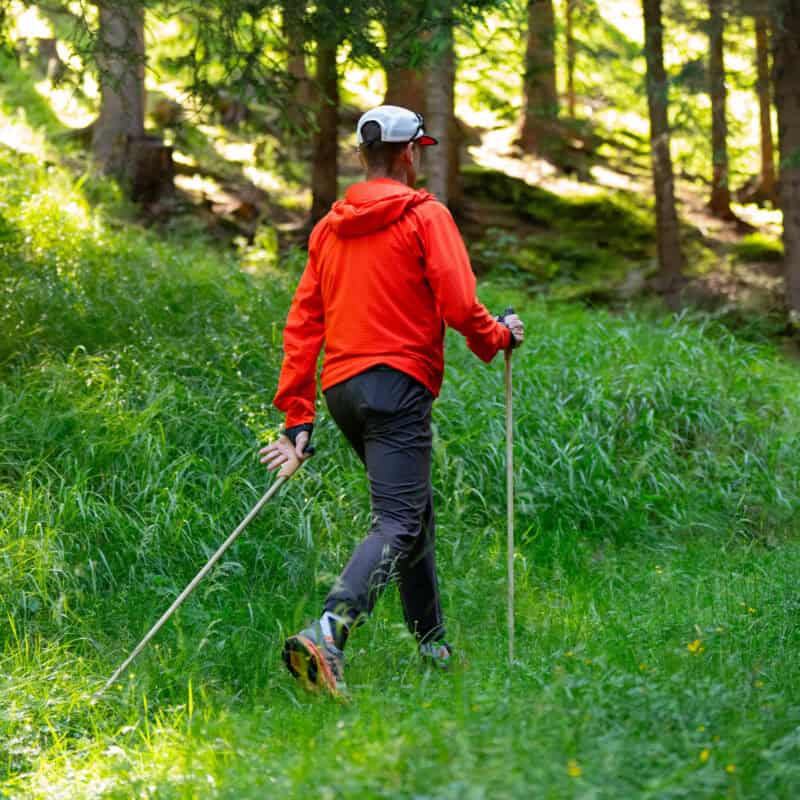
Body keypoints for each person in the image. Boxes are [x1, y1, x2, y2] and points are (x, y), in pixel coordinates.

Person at [260, 105, 524, 697]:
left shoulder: (329, 229)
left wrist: (298, 416)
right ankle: (330, 629)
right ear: (411, 153)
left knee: (414, 513)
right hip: (397, 385)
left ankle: (432, 644)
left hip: (342, 393)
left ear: (361, 156)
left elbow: (303, 323)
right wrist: (498, 336)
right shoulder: (425, 215)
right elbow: (459, 303)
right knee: (400, 520)